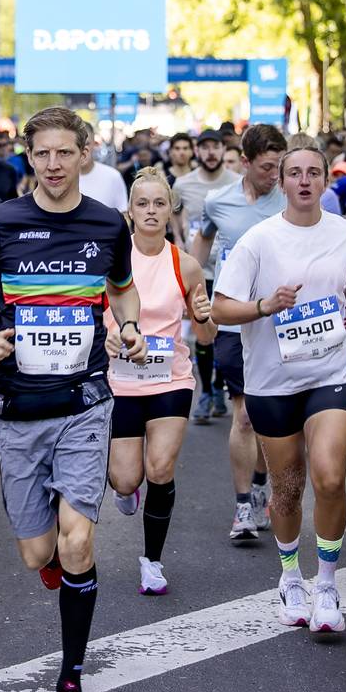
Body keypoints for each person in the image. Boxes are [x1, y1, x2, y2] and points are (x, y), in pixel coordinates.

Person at [0, 106, 146, 692]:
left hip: (85, 400)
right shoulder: (2, 222)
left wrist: (128, 327)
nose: (54, 165)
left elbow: (121, 289)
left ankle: (70, 679)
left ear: (84, 154)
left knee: (78, 541)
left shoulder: (104, 224)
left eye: (66, 153)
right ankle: (57, 566)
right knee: (40, 552)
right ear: (29, 156)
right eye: (43, 154)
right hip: (16, 408)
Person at [213, 145, 346, 633]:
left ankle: (326, 583)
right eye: (295, 173)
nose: (304, 181)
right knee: (287, 487)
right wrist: (265, 305)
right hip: (272, 381)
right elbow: (220, 310)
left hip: (331, 372)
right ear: (281, 181)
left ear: (326, 181)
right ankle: (289, 576)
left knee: (328, 478)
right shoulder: (258, 240)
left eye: (314, 173)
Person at [105, 167, 215, 596]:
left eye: (158, 203)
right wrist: (110, 335)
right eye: (142, 204)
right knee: (126, 480)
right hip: (121, 381)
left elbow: (205, 336)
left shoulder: (185, 265)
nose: (151, 211)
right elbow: (98, 318)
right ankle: (126, 491)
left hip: (170, 379)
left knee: (160, 468)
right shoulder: (114, 261)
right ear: (130, 211)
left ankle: (152, 561)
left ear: (171, 209)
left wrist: (205, 318)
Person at [192, 124, 287, 542]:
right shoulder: (218, 201)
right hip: (233, 318)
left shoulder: (293, 198)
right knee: (245, 415)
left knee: (271, 418)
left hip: (283, 324)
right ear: (244, 163)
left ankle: (264, 479)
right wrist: (198, 302)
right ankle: (243, 505)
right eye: (268, 167)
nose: (277, 176)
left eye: (280, 166)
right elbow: (200, 247)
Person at [173, 129, 239, 421]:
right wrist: (179, 243)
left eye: (216, 147)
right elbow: (174, 214)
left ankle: (217, 384)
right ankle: (206, 393)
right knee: (202, 331)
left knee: (225, 333)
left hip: (230, 270)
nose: (211, 153)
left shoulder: (236, 183)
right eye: (206, 147)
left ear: (224, 150)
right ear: (197, 151)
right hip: (198, 268)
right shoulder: (183, 184)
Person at [79, 121, 128, 212]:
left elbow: (124, 214)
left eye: (87, 144)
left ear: (94, 144)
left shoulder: (113, 176)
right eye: (78, 145)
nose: (83, 150)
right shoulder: (60, 178)